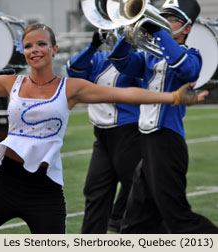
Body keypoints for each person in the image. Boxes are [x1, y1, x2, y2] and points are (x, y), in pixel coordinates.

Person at [0, 23, 206, 234]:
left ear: (53, 48)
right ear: (23, 52)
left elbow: (124, 94)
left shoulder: (70, 88)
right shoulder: (11, 83)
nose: (35, 50)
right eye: (28, 46)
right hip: (4, 185)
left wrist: (173, 97)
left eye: (41, 44)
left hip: (45, 192)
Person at [108, 0, 218, 233]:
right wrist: (127, 34)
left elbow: (185, 69)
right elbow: (120, 62)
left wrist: (157, 29)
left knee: (177, 216)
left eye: (171, 18)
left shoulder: (192, 55)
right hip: (147, 141)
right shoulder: (149, 57)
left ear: (187, 28)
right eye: (162, 16)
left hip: (167, 142)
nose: (164, 20)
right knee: (135, 219)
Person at [66, 30, 142, 233]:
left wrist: (128, 40)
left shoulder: (138, 58)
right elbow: (73, 71)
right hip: (101, 135)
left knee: (137, 188)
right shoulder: (98, 57)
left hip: (129, 132)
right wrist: (92, 47)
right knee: (95, 190)